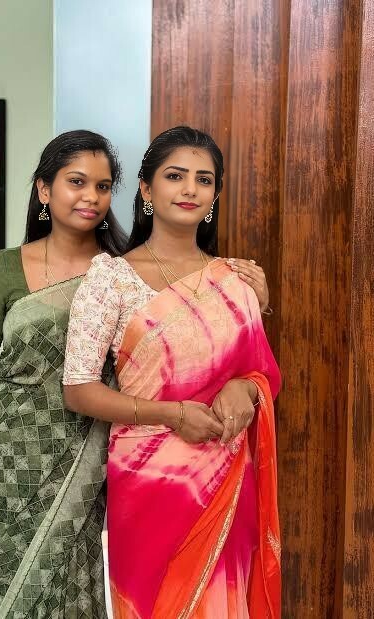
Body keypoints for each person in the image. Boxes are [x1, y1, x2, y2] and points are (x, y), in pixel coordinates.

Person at [0, 128, 271, 619]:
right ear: (44, 190)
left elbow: (198, 344)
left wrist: (255, 305)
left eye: (103, 186)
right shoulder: (11, 270)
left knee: (78, 597)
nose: (91, 196)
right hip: (3, 457)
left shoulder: (126, 269)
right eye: (76, 182)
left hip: (87, 457)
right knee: (11, 598)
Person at [63, 126, 281, 618]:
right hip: (148, 479)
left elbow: (262, 372)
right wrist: (173, 414)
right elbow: (78, 390)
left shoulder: (236, 279)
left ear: (215, 195)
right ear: (146, 188)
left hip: (225, 472)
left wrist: (245, 388)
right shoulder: (111, 278)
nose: (189, 189)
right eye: (175, 176)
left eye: (204, 180)